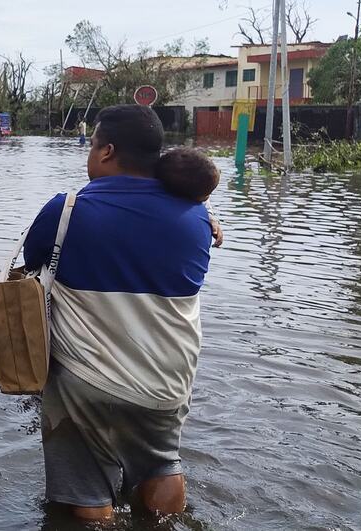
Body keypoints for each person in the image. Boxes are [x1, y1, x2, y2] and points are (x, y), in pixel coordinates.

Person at [22, 105, 218, 522]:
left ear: (107, 151)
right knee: (162, 462)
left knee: (85, 488)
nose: (89, 154)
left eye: (91, 145)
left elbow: (34, 261)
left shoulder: (67, 211)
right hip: (168, 383)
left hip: (87, 381)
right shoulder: (199, 219)